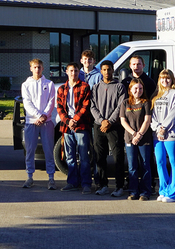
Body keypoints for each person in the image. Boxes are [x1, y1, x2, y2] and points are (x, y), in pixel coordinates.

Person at [90, 61, 127, 197]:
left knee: (117, 156)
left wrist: (109, 121)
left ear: (113, 70)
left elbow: (121, 105)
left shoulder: (119, 86)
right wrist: (101, 121)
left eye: (109, 69)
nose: (107, 72)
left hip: (114, 126)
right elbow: (92, 106)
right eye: (104, 70)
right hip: (99, 125)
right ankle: (102, 185)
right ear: (101, 71)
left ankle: (119, 186)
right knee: (100, 156)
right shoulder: (95, 87)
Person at [20, 58, 57, 190]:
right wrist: (37, 115)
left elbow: (51, 102)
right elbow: (27, 103)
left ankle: (51, 178)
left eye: (39, 67)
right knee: (30, 150)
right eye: (35, 67)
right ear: (31, 68)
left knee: (48, 150)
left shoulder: (49, 84)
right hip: (31, 122)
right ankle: (30, 176)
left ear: (43, 68)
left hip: (46, 123)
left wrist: (44, 116)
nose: (37, 69)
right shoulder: (26, 85)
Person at [57, 61, 93, 194]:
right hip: (67, 127)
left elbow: (86, 106)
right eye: (71, 71)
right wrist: (68, 121)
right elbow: (59, 108)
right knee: (70, 157)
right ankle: (72, 182)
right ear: (66, 72)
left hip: (81, 125)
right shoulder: (61, 89)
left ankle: (86, 184)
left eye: (76, 71)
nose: (74, 73)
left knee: (84, 156)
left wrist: (75, 120)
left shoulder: (85, 87)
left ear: (79, 72)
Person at [151, 69, 175, 202]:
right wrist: (158, 128)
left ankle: (173, 193)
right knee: (160, 162)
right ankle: (163, 190)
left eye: (168, 78)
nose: (165, 81)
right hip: (157, 135)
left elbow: (174, 114)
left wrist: (164, 128)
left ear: (172, 80)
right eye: (162, 78)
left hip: (172, 133)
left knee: (174, 162)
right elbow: (152, 115)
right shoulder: (156, 95)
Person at [120, 78, 153, 200]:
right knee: (132, 166)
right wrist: (134, 134)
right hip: (129, 138)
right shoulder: (125, 103)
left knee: (145, 165)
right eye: (135, 88)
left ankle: (145, 192)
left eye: (140, 88)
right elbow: (123, 120)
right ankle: (133, 191)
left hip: (144, 139)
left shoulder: (146, 102)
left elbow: (147, 120)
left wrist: (139, 134)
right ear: (130, 89)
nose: (138, 91)